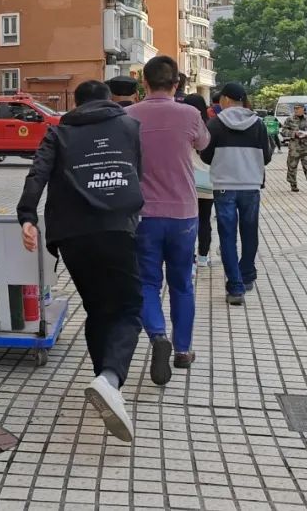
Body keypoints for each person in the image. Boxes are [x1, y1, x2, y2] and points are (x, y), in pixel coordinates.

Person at [16, 80, 144, 441]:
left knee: (98, 308)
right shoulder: (130, 127)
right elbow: (138, 173)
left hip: (71, 235)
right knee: (128, 308)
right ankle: (110, 379)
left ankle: (105, 385)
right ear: (108, 100)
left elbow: (36, 173)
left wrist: (27, 217)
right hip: (118, 227)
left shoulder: (59, 133)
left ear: (77, 103)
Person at [126, 57, 209, 383]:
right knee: (182, 284)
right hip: (184, 214)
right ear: (177, 84)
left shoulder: (128, 116)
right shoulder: (190, 114)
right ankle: (183, 350)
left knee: (147, 283)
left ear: (143, 83)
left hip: (144, 214)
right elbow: (204, 144)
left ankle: (158, 335)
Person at [200, 82, 272, 306]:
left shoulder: (216, 123)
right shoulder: (258, 124)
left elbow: (205, 155)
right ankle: (248, 273)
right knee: (250, 231)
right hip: (250, 185)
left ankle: (235, 287)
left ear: (226, 100)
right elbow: (267, 155)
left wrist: (223, 163)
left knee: (228, 235)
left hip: (224, 185)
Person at [183, 95, 215, 269]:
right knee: (205, 219)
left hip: (188, 179)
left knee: (189, 221)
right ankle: (203, 257)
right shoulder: (211, 126)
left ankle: (191, 258)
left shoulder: (184, 126)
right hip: (208, 179)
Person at [280, 104, 307, 194]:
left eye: (298, 109)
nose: (296, 110)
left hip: (306, 147)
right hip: (294, 147)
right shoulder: (289, 119)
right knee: (292, 166)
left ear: (303, 109)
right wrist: (294, 134)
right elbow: (283, 131)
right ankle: (293, 184)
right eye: (295, 109)